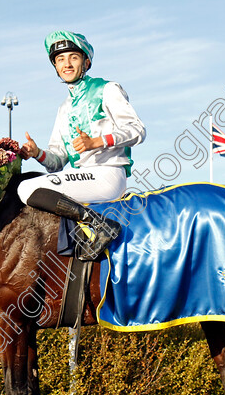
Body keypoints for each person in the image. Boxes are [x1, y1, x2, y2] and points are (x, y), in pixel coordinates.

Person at [19, 30, 145, 260]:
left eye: (73, 57)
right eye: (60, 59)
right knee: (28, 183)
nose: (66, 64)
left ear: (86, 62)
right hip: (83, 177)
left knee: (25, 189)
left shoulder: (107, 89)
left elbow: (137, 130)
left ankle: (102, 226)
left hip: (108, 175)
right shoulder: (63, 108)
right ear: (55, 67)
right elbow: (57, 162)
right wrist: (38, 154)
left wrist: (97, 141)